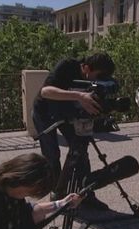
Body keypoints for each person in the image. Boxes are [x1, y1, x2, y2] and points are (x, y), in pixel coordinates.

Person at [33, 52, 115, 208]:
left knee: (80, 151)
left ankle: (85, 194)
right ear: (85, 68)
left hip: (68, 113)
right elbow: (46, 91)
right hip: (45, 112)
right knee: (52, 155)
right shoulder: (67, 66)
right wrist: (79, 96)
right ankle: (57, 195)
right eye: (95, 76)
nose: (96, 80)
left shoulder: (98, 79)